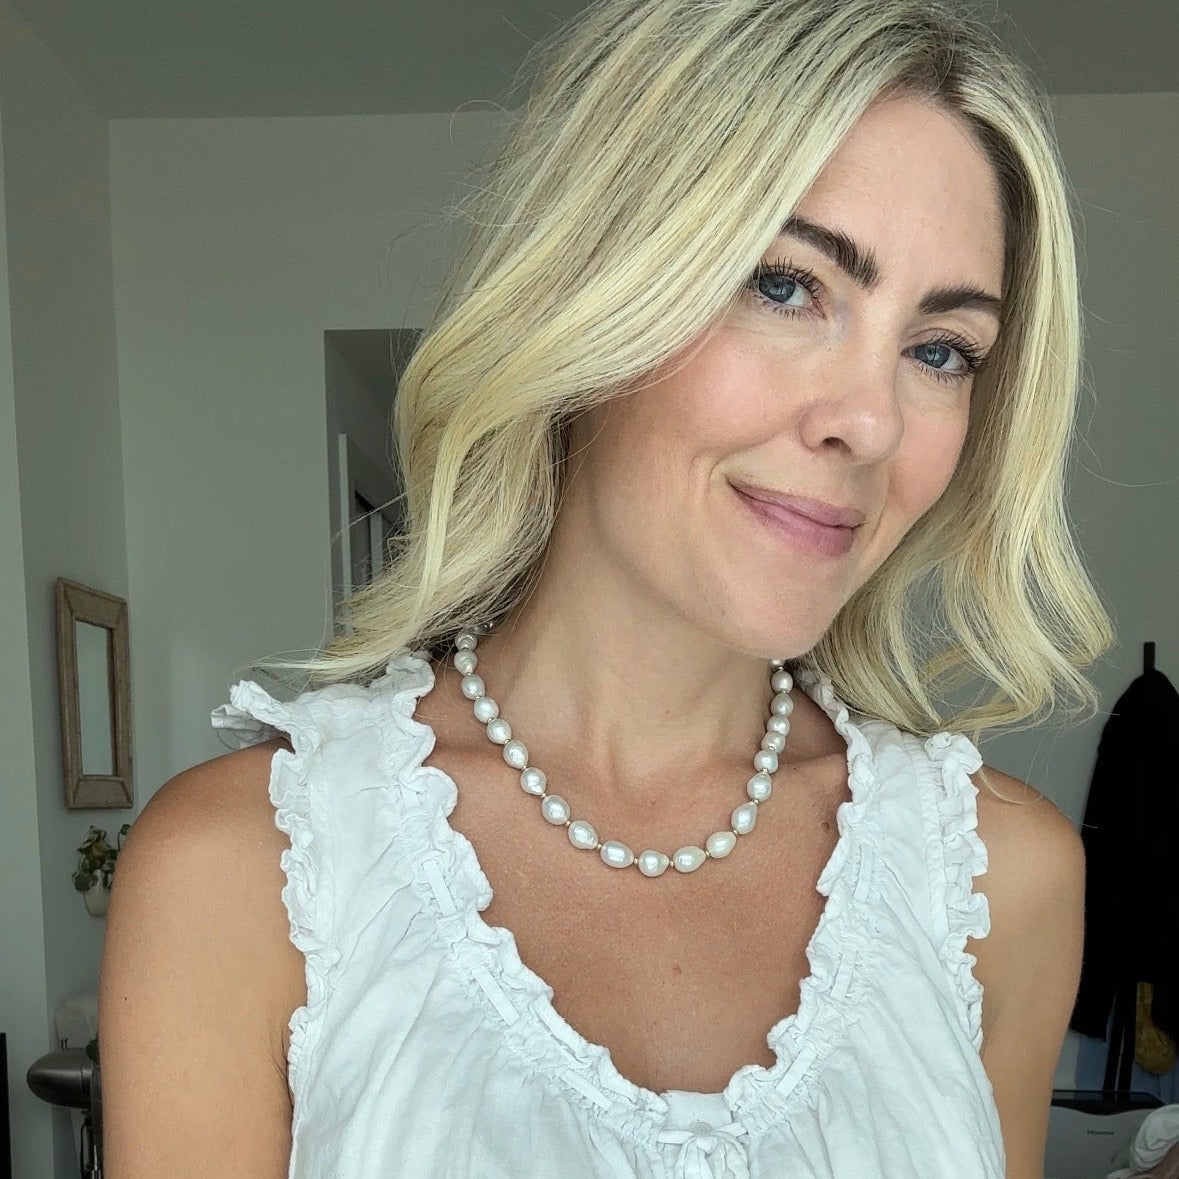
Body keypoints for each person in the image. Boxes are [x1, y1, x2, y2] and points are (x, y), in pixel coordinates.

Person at [98, 0, 1113, 1176]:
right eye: (786, 286)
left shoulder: (1001, 885)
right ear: (596, 289)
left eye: (939, 350)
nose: (871, 423)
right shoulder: (248, 875)